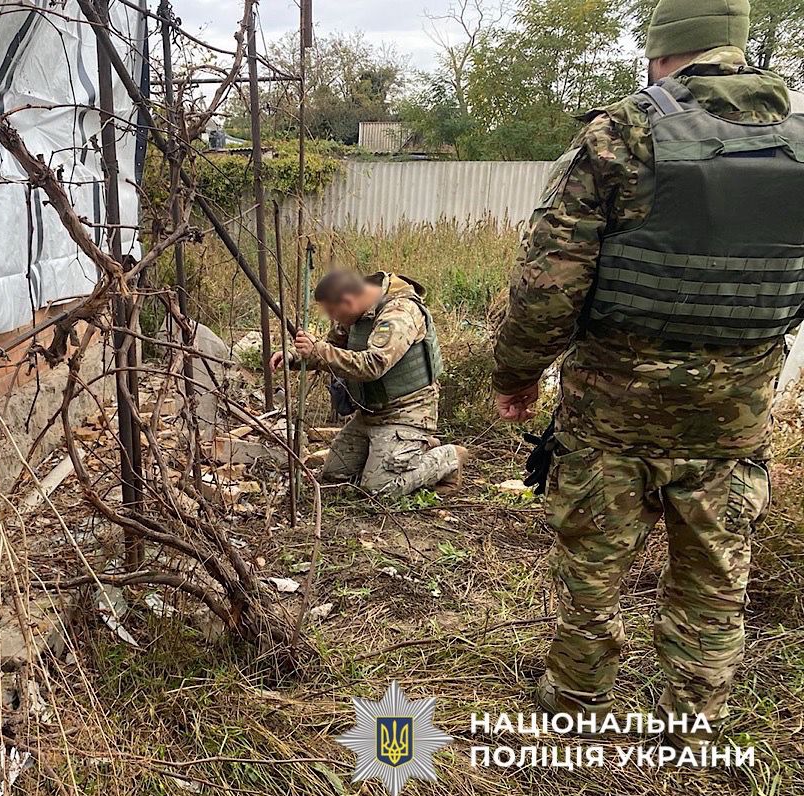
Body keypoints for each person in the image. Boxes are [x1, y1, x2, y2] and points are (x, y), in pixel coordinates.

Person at [492, 0, 804, 750]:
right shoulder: (799, 144)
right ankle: (691, 719)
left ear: (663, 48)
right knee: (715, 574)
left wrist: (516, 375)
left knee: (592, 567)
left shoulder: (620, 135)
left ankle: (577, 697)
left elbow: (548, 286)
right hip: (732, 417)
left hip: (612, 414)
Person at [273, 270, 469, 497]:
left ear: (348, 300)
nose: (333, 319)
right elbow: (332, 347)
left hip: (406, 412)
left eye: (333, 312)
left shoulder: (400, 312)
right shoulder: (356, 312)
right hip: (370, 413)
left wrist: (317, 351)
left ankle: (449, 457)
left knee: (379, 489)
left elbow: (373, 365)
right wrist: (294, 357)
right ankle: (408, 451)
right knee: (335, 475)